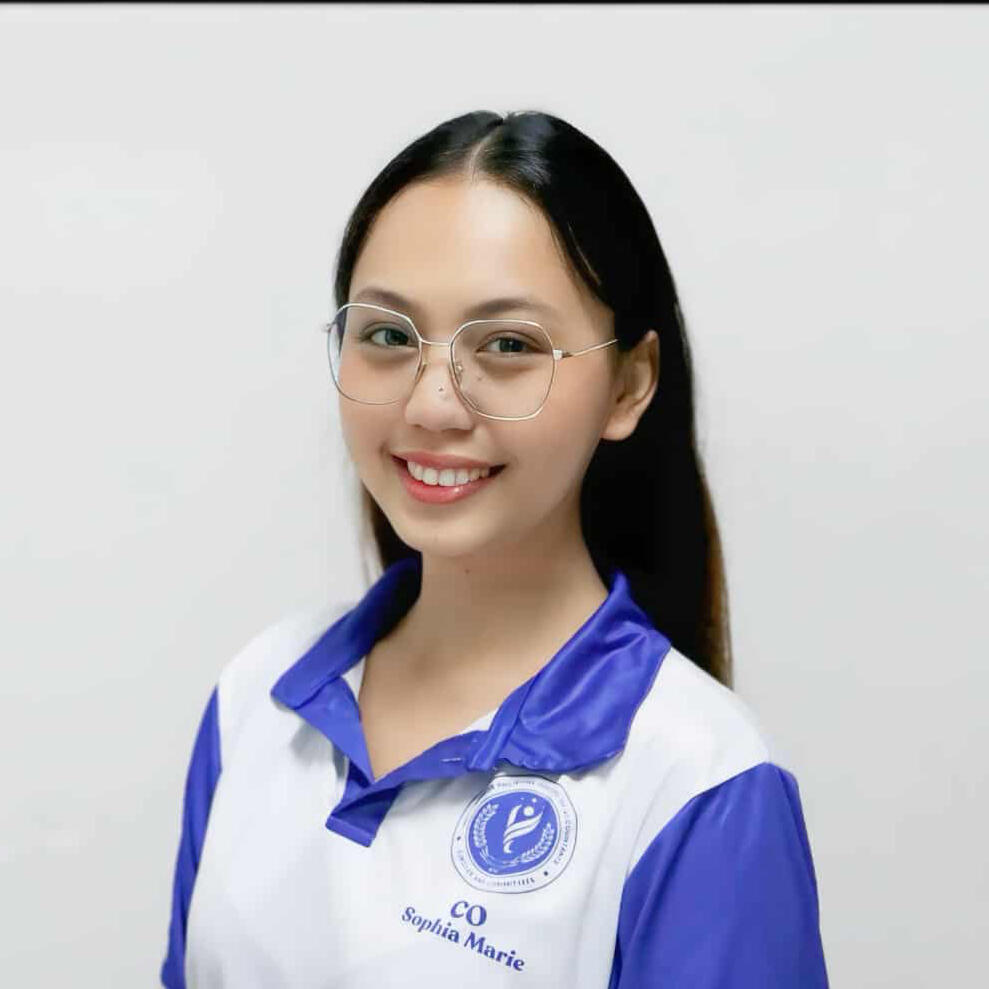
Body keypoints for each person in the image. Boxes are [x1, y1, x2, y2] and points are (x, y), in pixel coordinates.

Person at [160, 110, 829, 988]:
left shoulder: (696, 778)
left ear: (628, 384)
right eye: (388, 335)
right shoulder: (259, 694)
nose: (431, 405)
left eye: (508, 345)